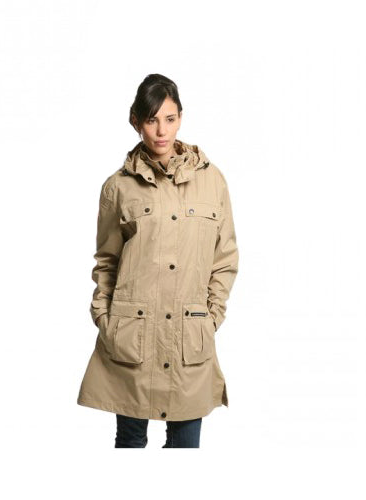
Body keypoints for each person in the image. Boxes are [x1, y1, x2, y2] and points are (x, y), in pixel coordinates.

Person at [77, 73, 239, 448]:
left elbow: (225, 257)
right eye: (151, 120)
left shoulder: (212, 181)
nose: (161, 131)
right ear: (135, 121)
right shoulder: (118, 187)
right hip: (132, 339)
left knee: (186, 445)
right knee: (130, 442)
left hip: (188, 339)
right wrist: (105, 318)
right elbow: (107, 261)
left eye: (169, 118)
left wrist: (211, 316)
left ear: (181, 117)